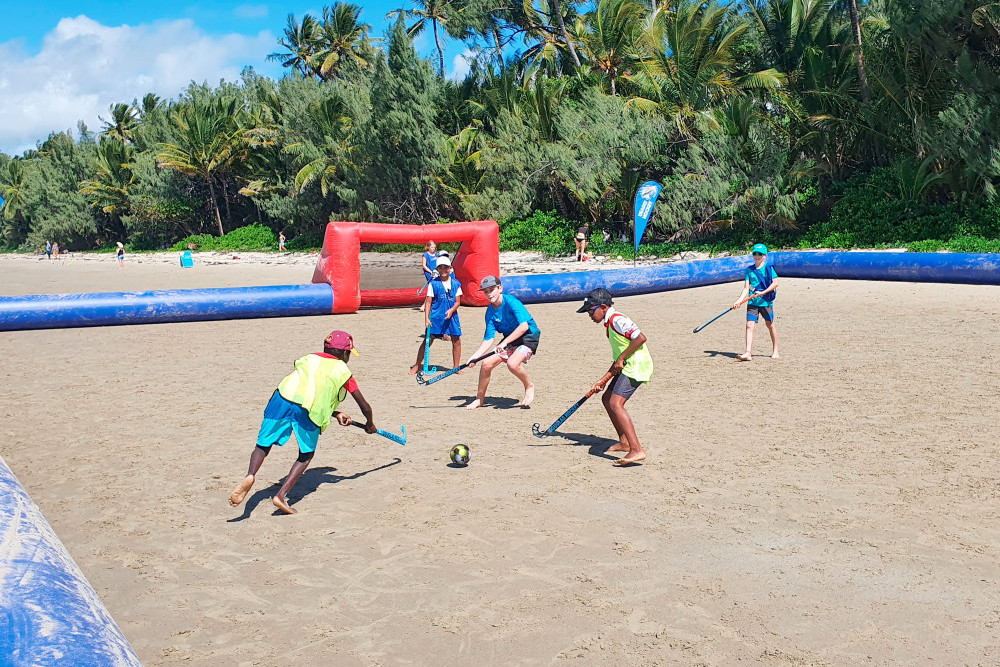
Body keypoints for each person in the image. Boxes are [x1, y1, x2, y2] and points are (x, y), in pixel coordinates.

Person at [229, 330, 376, 515]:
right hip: (307, 410)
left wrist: (335, 413)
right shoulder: (344, 372)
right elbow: (364, 406)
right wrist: (370, 424)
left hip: (281, 399)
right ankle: (280, 496)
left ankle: (250, 474)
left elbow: (307, 391)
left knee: (263, 445)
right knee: (306, 454)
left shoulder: (308, 358)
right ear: (345, 354)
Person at [577, 288, 653, 466]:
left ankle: (637, 450)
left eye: (590, 310)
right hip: (628, 365)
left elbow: (640, 338)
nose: (589, 314)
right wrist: (603, 380)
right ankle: (624, 442)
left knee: (615, 403)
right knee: (607, 398)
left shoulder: (617, 320)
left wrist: (621, 358)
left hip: (637, 366)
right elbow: (618, 360)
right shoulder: (610, 322)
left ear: (603, 307)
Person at [465, 275, 540, 410]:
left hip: (529, 336)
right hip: (511, 338)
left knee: (512, 364)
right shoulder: (490, 312)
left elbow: (524, 326)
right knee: (486, 363)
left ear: (500, 288)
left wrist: (504, 343)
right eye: (486, 291)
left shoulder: (511, 302)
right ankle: (479, 399)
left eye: (491, 290)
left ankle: (529, 386)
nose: (489, 294)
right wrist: (475, 356)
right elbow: (488, 338)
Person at [410, 255, 462, 374]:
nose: (443, 270)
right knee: (428, 340)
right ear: (437, 269)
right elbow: (428, 303)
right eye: (440, 268)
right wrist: (427, 319)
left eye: (446, 268)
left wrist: (452, 310)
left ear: (450, 269)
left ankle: (456, 367)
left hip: (452, 317)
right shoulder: (433, 284)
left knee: (456, 339)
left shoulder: (456, 284)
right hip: (436, 316)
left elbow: (458, 302)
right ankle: (417, 365)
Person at [732, 243, 780, 361]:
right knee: (749, 325)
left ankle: (775, 350)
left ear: (765, 256)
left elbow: (776, 283)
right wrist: (739, 301)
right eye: (755, 253)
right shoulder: (749, 270)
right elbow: (746, 288)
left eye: (759, 254)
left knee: (770, 325)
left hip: (766, 302)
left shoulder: (769, 269)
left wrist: (763, 293)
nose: (757, 256)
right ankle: (748, 353)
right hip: (752, 302)